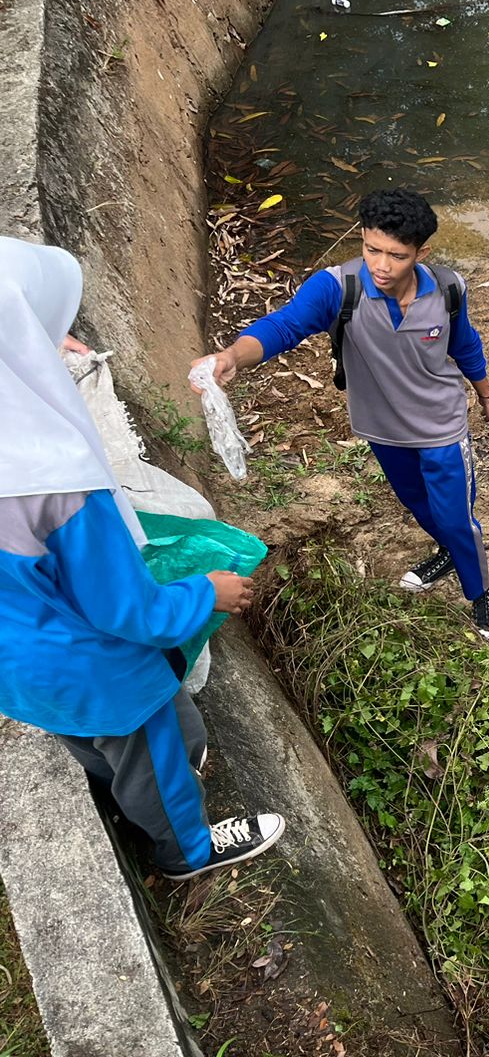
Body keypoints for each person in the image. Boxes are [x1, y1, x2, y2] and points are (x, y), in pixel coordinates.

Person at [0, 237, 284, 879]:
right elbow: (127, 611)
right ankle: (185, 849)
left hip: (17, 667)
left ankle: (132, 789)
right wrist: (207, 593)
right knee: (153, 752)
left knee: (102, 743)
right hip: (93, 666)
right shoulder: (56, 480)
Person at [192, 188, 489, 642]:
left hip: (442, 427)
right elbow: (284, 325)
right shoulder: (340, 289)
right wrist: (232, 357)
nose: (381, 266)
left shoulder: (448, 290)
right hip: (382, 428)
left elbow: (465, 346)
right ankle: (447, 550)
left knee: (457, 516)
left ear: (422, 253)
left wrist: (486, 396)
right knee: (417, 503)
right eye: (371, 249)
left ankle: (480, 592)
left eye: (396, 256)